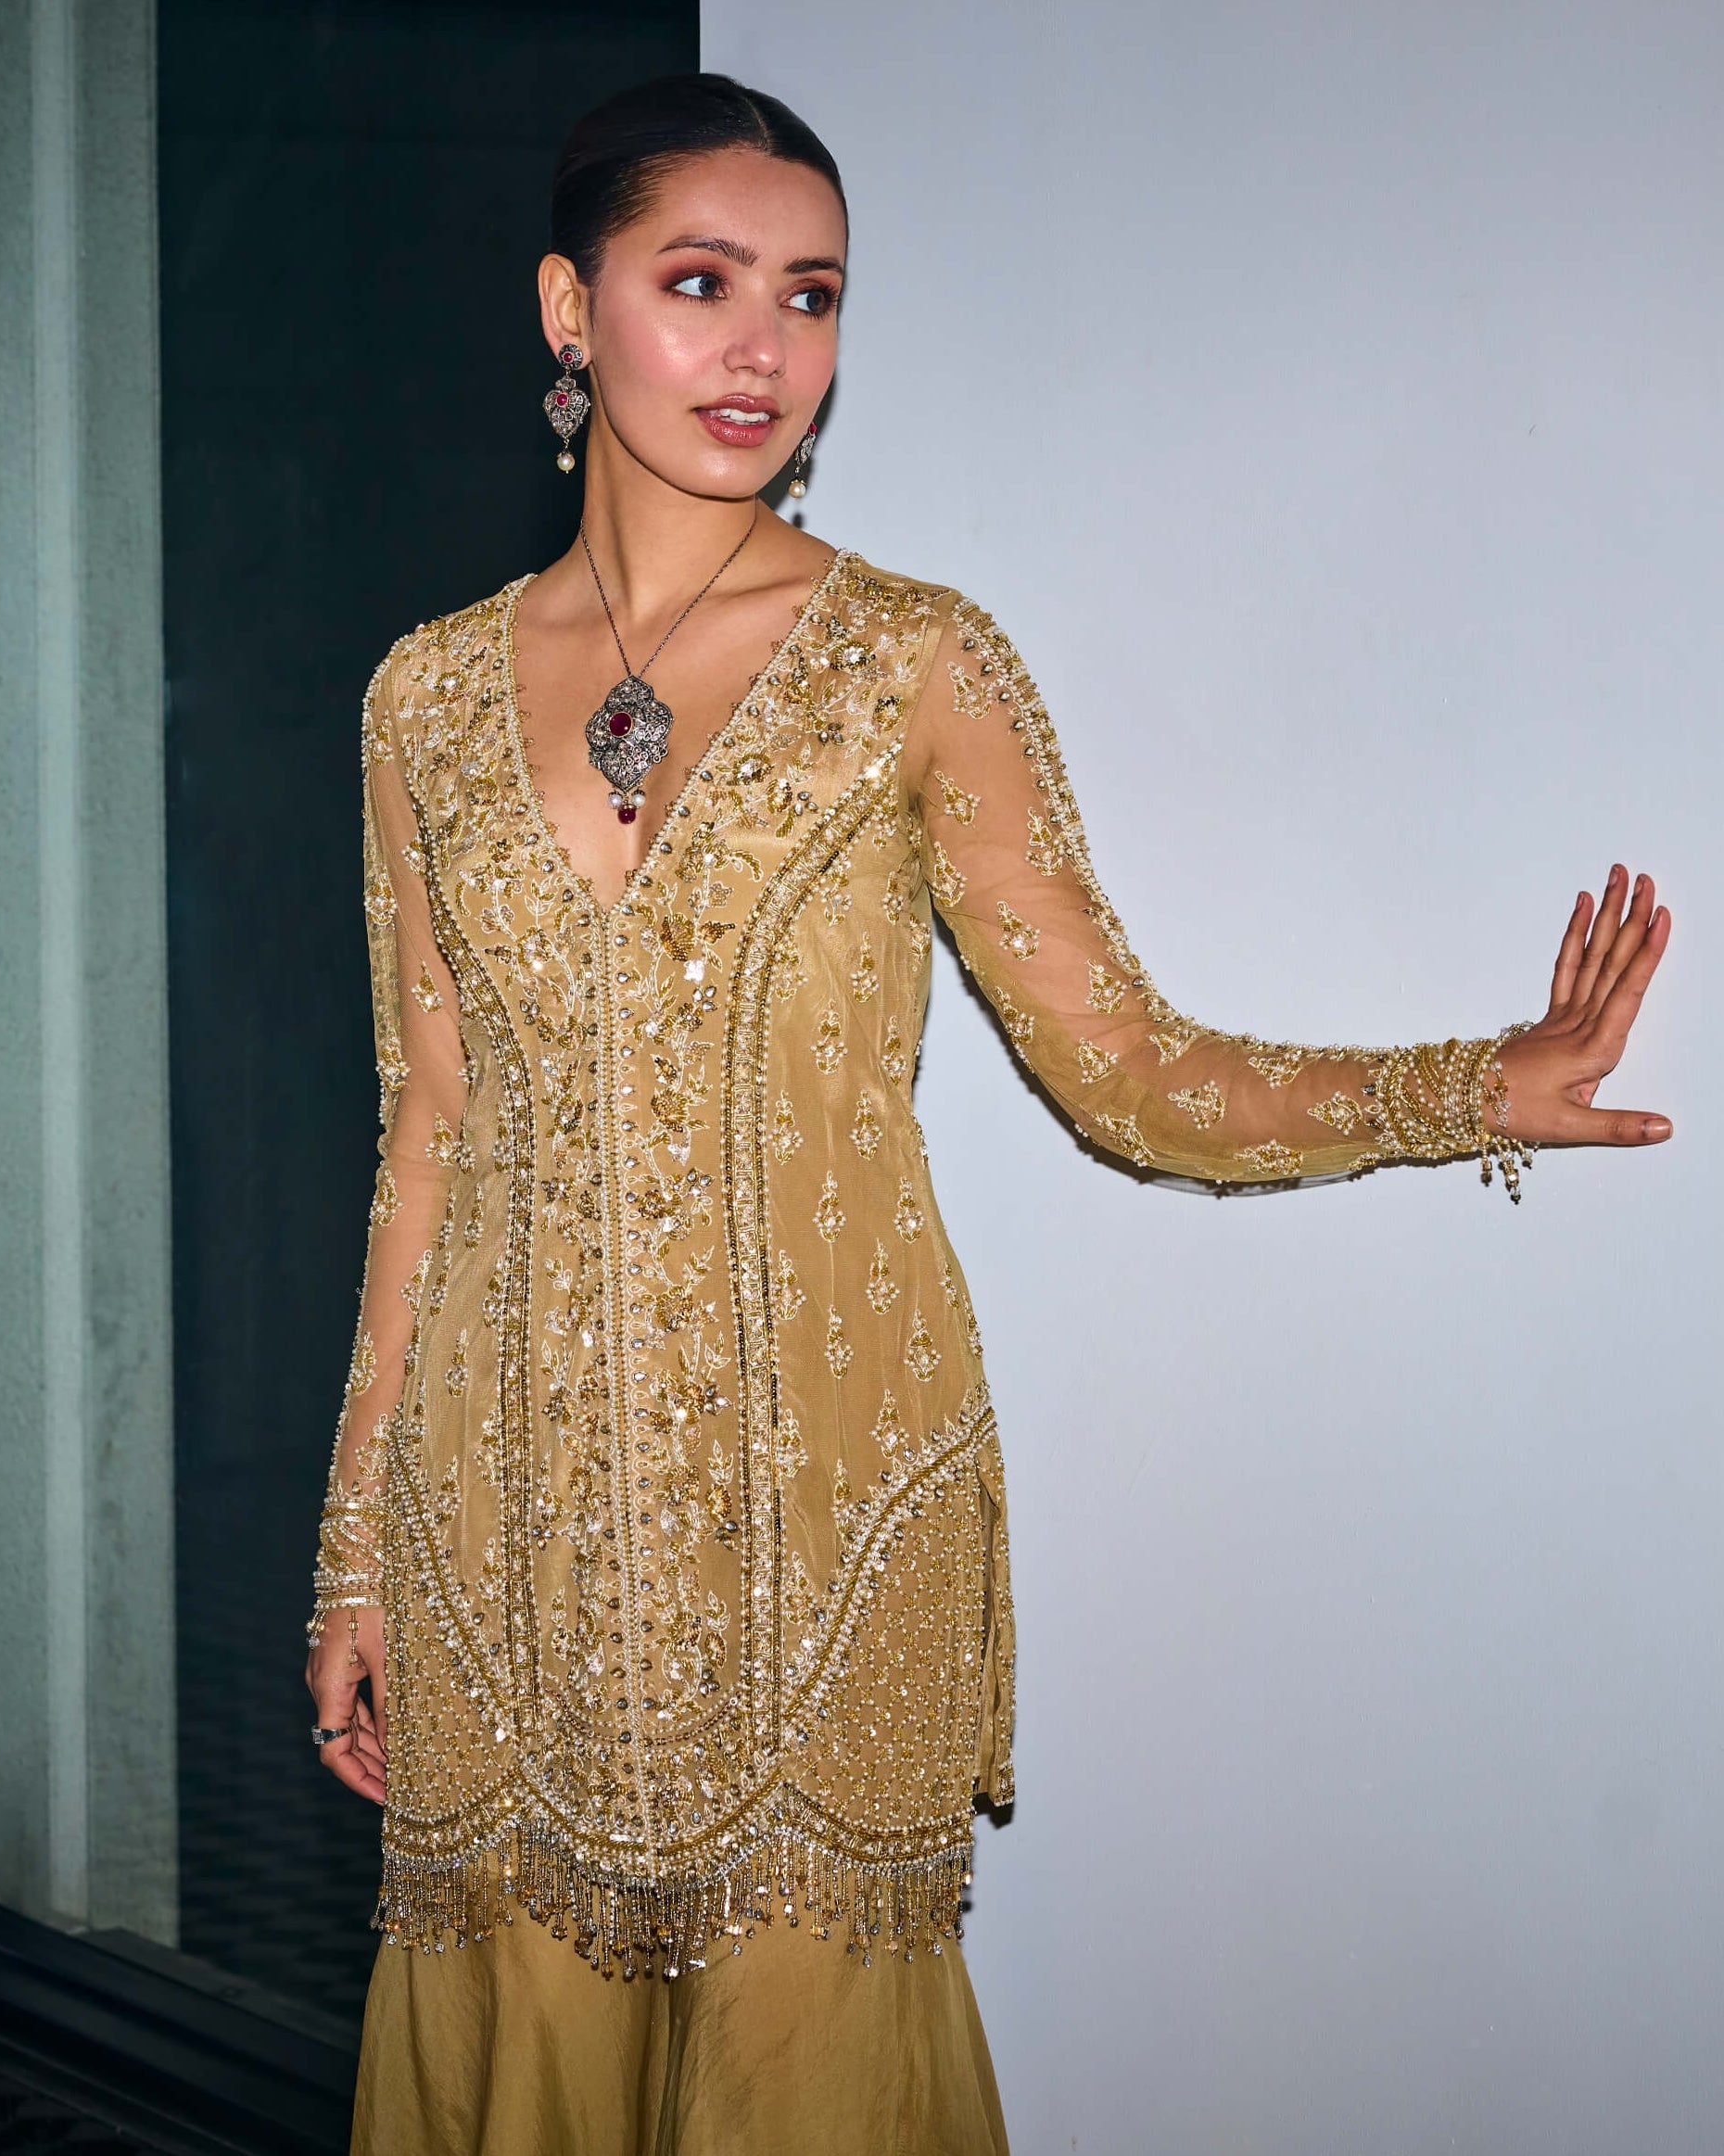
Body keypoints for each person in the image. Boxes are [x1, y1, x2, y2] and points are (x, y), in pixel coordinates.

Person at [302, 72, 1671, 2156]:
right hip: (496, 1550)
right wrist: (352, 1556)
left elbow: (1126, 1068)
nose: (763, 348)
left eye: (812, 295)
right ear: (570, 310)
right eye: (701, 283)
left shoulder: (910, 665)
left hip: (824, 1544)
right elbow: (429, 1139)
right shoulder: (420, 698)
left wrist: (1467, 1082)